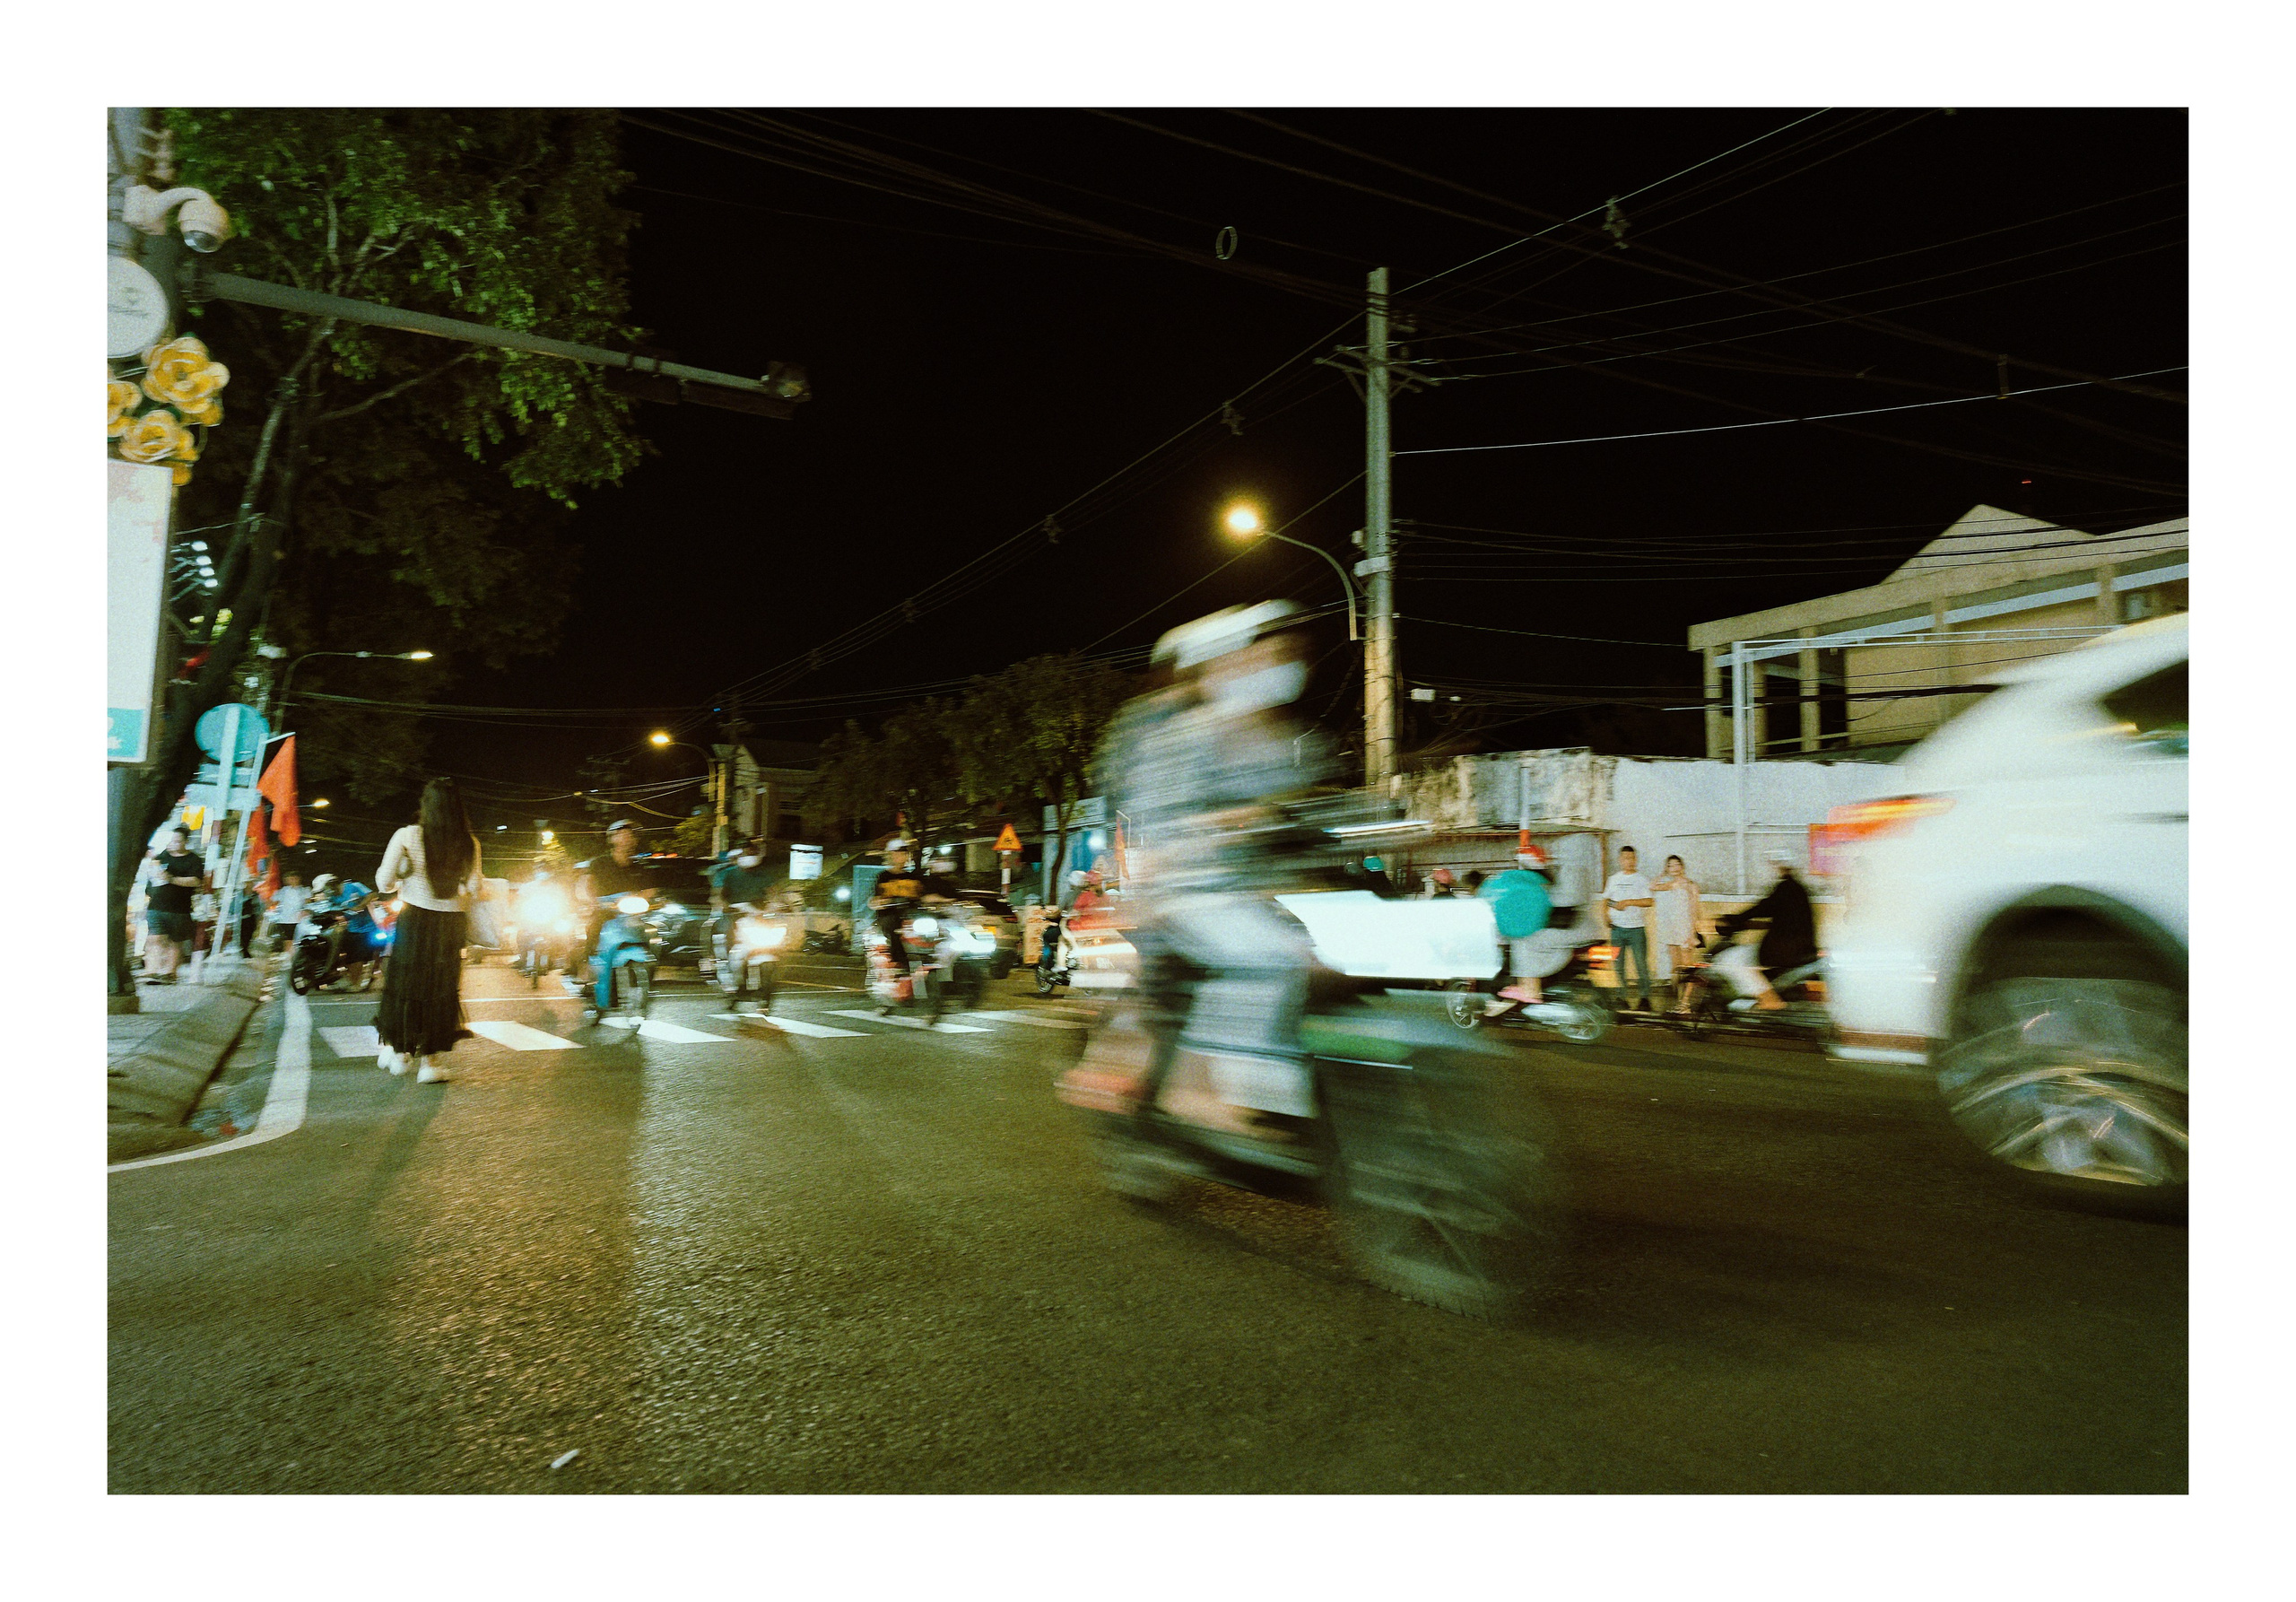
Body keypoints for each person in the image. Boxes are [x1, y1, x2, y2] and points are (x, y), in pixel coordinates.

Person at [1100, 600, 1332, 1067]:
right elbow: (1161, 820)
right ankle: (1217, 1084)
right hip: (1196, 891)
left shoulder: (1283, 738)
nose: (1275, 667)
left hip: (1258, 889)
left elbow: (1311, 806)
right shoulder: (1178, 734)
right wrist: (1238, 822)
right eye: (1260, 655)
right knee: (1274, 959)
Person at [373, 779, 486, 1084]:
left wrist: (401, 879)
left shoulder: (407, 836)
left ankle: (400, 1053)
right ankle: (431, 1063)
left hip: (415, 920)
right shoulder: (469, 842)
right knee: (440, 989)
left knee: (406, 985)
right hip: (450, 924)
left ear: (426, 805)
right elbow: (475, 887)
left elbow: (383, 883)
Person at [1714, 853, 1820, 1012]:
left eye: (1776, 864)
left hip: (1782, 950)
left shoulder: (1785, 888)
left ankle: (1768, 999)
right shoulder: (1800, 889)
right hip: (1801, 947)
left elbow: (1763, 907)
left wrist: (1733, 920)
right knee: (1747, 954)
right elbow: (1779, 914)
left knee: (1729, 959)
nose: (1775, 867)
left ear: (1783, 866)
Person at [576, 821, 664, 978]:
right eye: (622, 835)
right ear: (612, 839)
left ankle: (649, 966)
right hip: (605, 909)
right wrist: (593, 901)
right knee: (594, 928)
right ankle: (586, 968)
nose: (627, 839)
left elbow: (651, 890)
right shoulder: (599, 863)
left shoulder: (640, 866)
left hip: (630, 912)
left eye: (630, 835)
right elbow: (587, 885)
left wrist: (642, 899)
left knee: (652, 932)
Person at [1477, 848, 1557, 1012]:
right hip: (1545, 932)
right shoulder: (1543, 882)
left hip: (1525, 934)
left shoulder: (1515, 881)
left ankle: (1526, 992)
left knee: (1517, 948)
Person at [870, 839, 955, 980]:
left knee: (939, 926)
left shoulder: (914, 877)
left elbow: (925, 896)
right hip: (891, 916)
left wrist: (947, 900)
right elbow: (876, 900)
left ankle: (937, 960)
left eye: (903, 853)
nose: (901, 857)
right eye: (897, 854)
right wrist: (882, 902)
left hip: (913, 916)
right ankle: (899, 963)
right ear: (890, 856)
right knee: (893, 927)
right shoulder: (883, 877)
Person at [141, 826, 206, 984]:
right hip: (156, 906)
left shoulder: (193, 860)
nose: (173, 844)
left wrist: (172, 879)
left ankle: (169, 973)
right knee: (154, 938)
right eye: (171, 840)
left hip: (179, 909)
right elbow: (153, 877)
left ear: (186, 842)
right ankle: (153, 971)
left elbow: (195, 881)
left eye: (177, 841)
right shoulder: (162, 857)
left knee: (175, 942)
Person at [1600, 845, 1657, 1013]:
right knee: (1618, 965)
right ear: (1620, 860)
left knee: (1641, 965)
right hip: (1617, 929)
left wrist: (1629, 902)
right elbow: (1606, 899)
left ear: (1636, 859)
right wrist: (1605, 915)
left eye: (1632, 858)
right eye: (1625, 858)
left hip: (1636, 929)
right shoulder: (1614, 879)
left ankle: (1645, 998)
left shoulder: (1642, 879)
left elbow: (1649, 901)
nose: (1629, 861)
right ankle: (1621, 997)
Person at [1651, 854, 1707, 1013]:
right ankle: (1679, 1002)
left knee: (1687, 967)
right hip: (1672, 929)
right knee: (1676, 968)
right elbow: (1653, 886)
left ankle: (1686, 1003)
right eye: (1670, 865)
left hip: (1686, 930)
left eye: (1676, 865)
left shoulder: (1690, 885)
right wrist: (1662, 873)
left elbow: (1695, 910)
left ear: (1682, 866)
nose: (1673, 868)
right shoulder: (1671, 884)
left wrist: (1693, 934)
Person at [266, 869, 311, 953]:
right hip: (285, 920)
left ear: (299, 878)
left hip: (300, 921)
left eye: (295, 878)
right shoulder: (283, 891)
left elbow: (308, 904)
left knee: (299, 941)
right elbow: (272, 902)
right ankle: (287, 959)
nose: (293, 880)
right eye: (291, 879)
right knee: (287, 941)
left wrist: (306, 911)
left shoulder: (305, 890)